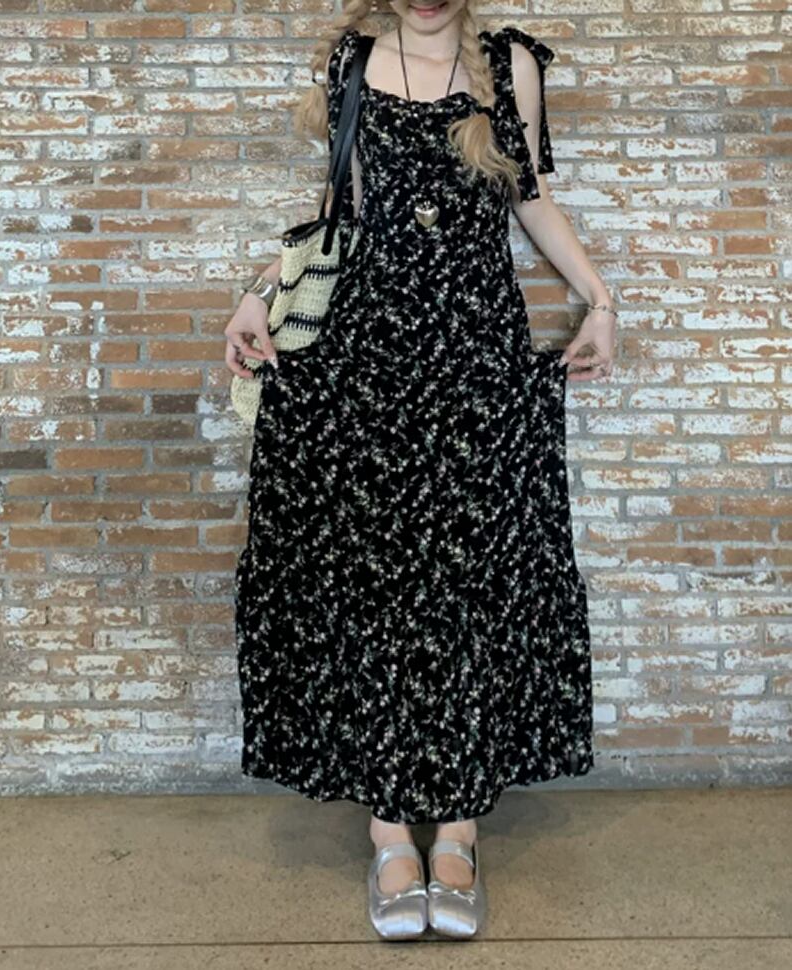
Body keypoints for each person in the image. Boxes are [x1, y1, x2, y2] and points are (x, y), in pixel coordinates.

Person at [224, 0, 614, 941]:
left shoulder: (509, 64)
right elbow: (341, 208)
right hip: (370, 358)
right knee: (377, 580)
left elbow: (528, 197)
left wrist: (600, 300)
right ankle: (391, 830)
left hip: (476, 358)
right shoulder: (353, 61)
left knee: (469, 578)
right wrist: (258, 294)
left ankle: (460, 830)